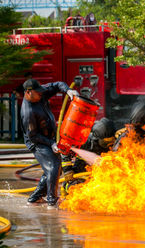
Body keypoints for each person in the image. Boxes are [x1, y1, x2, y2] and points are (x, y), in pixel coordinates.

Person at [21, 79, 79, 207]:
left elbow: (58, 84)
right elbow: (34, 136)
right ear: (29, 93)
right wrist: (51, 143)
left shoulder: (40, 94)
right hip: (37, 142)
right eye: (38, 93)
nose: (42, 94)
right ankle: (52, 201)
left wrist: (68, 90)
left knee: (53, 170)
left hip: (49, 137)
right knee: (54, 165)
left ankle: (34, 199)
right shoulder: (28, 112)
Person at [61, 117, 116, 195]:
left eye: (112, 140)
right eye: (106, 142)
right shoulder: (85, 141)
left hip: (103, 173)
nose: (110, 144)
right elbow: (65, 152)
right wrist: (67, 171)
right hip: (82, 170)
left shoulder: (117, 140)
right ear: (97, 138)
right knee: (75, 188)